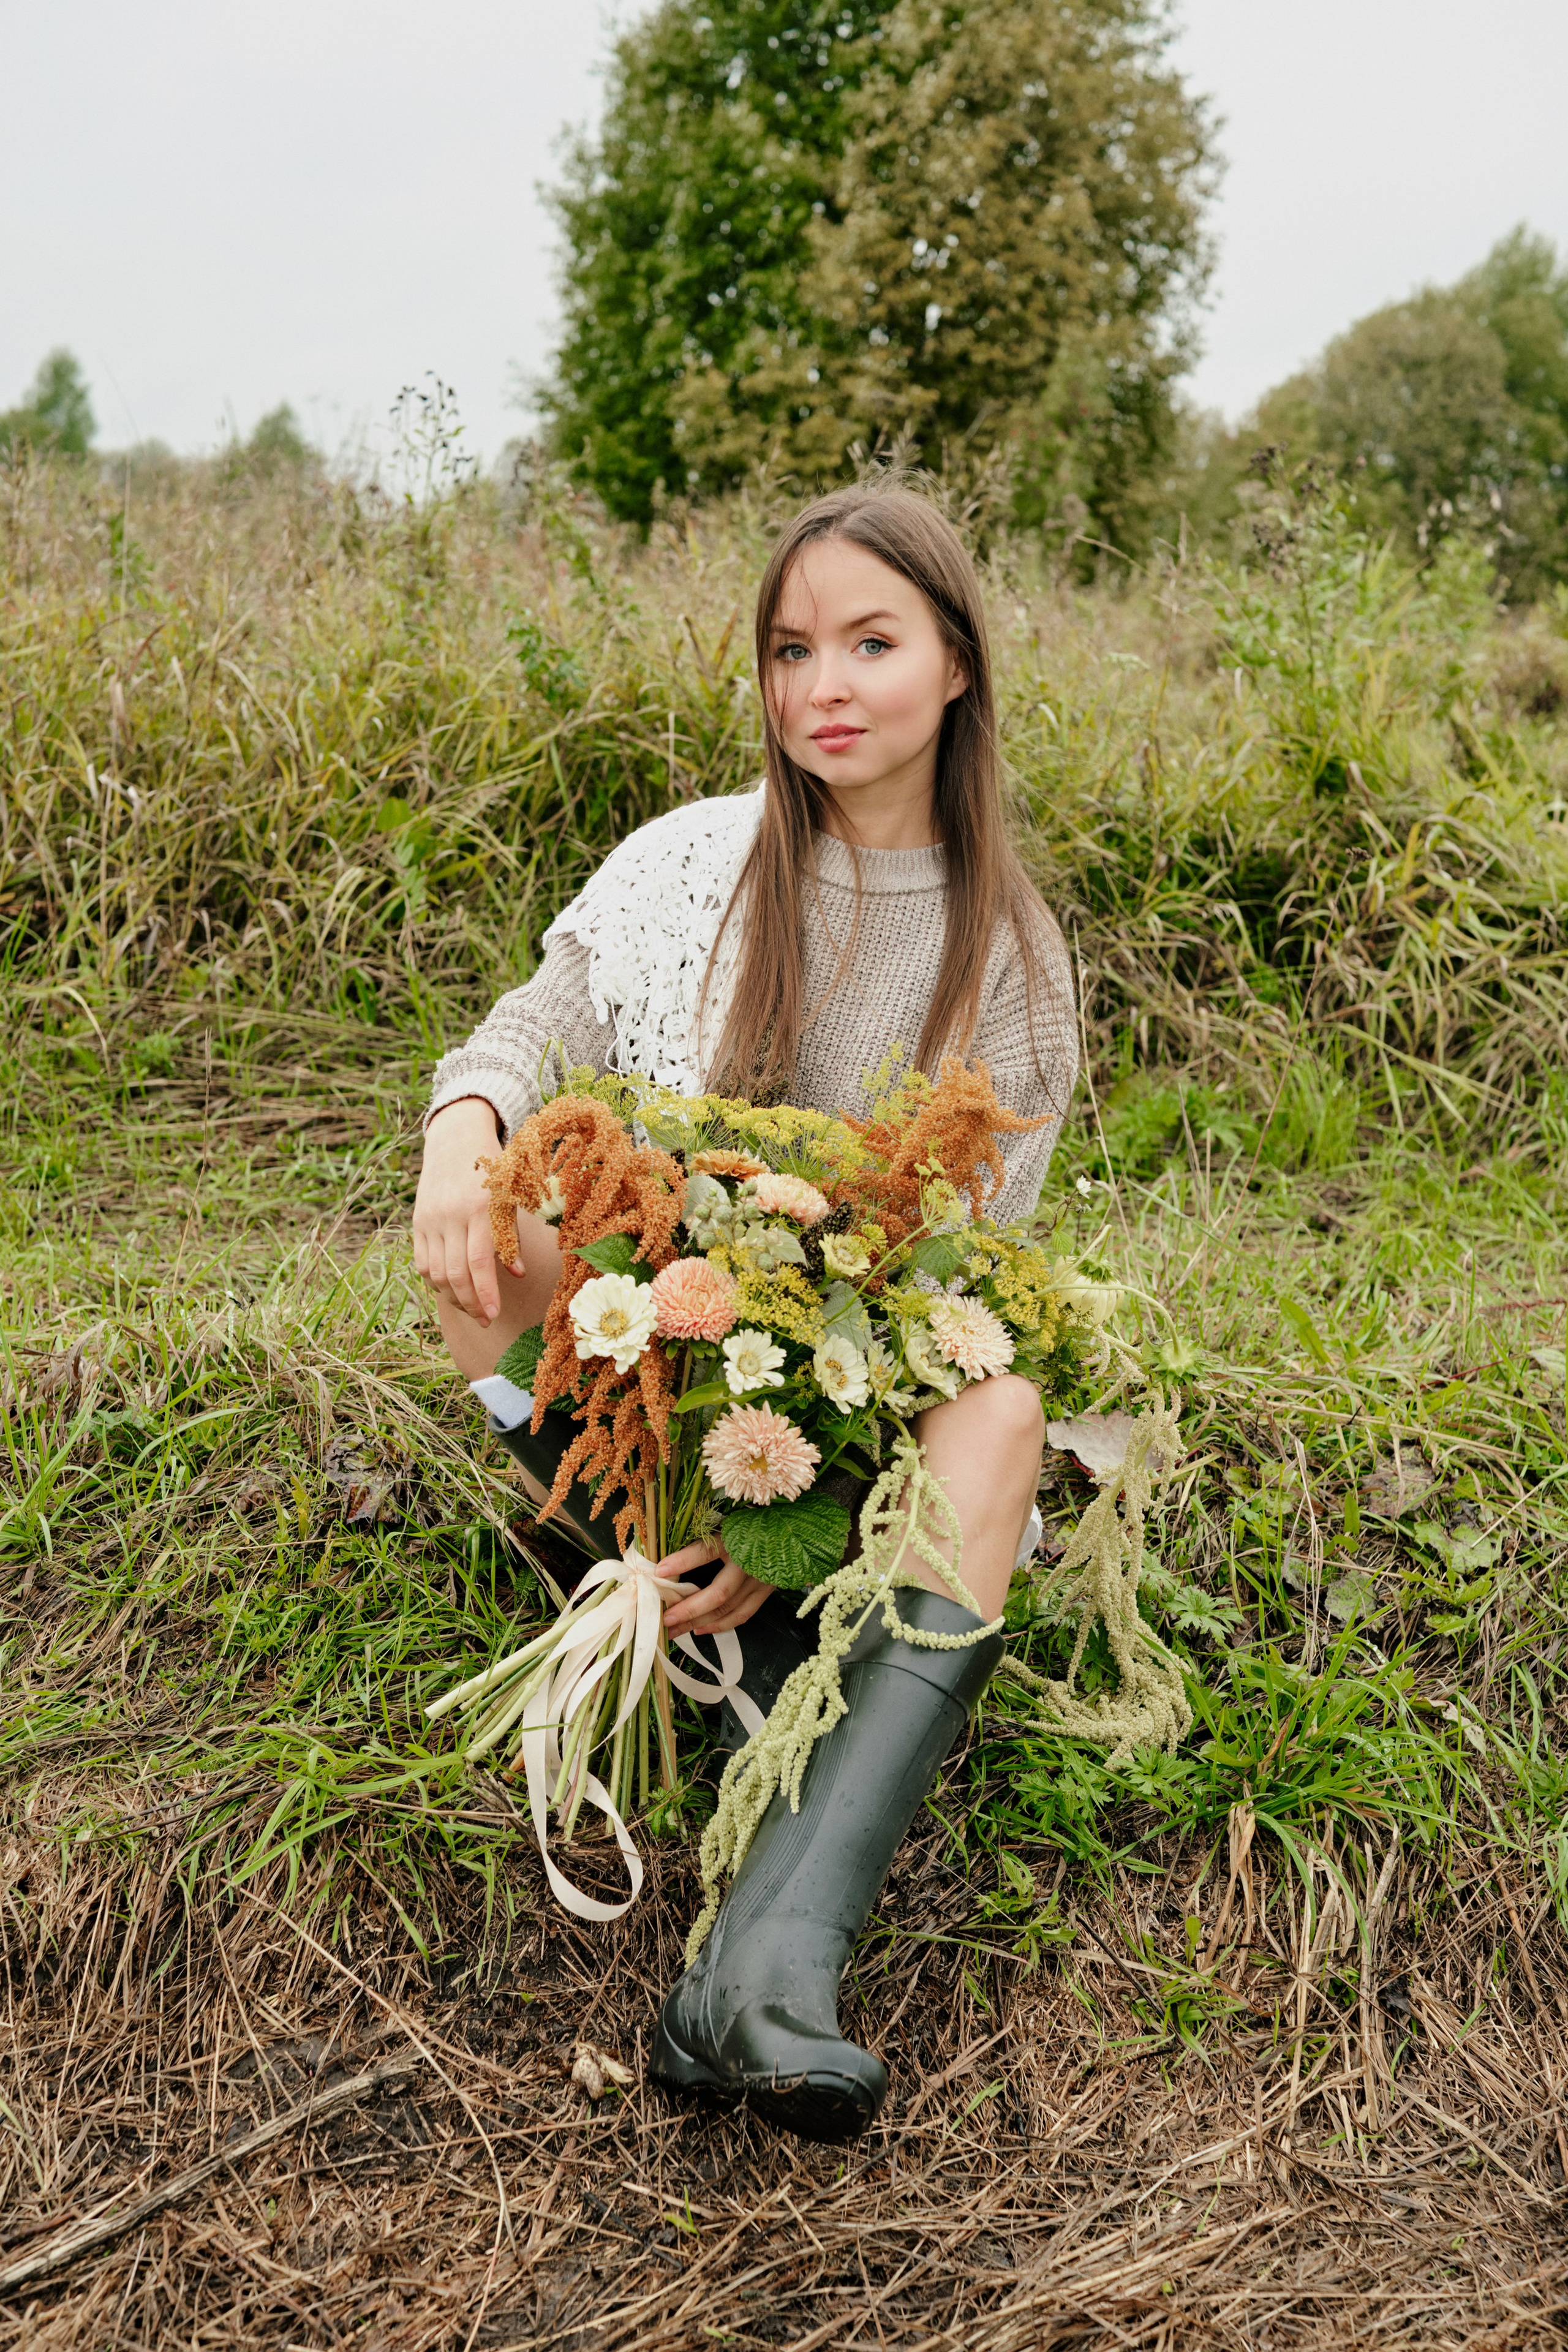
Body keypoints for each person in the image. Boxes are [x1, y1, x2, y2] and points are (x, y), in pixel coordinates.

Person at [413, 483, 1077, 2139]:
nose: (824, 685)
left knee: (1000, 1407)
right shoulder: (696, 860)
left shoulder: (1008, 952)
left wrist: (781, 1501)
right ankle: (667, 1601)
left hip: (847, 1409)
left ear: (957, 667)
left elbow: (952, 1301)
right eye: (793, 649)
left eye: (871, 640)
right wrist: (462, 1130)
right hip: (657, 1384)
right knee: (506, 1239)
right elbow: (532, 1019)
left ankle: (767, 1967)